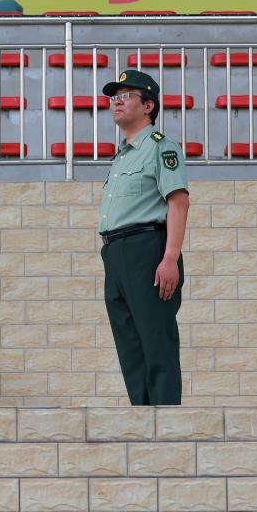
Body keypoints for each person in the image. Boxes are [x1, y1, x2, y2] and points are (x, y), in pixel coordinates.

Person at [99, 69, 190, 406]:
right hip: (115, 252)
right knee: (130, 346)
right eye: (115, 97)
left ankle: (165, 422)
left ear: (148, 105)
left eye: (126, 96)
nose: (117, 102)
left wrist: (170, 257)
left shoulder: (160, 147)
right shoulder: (123, 155)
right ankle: (142, 418)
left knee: (156, 341)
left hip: (146, 248)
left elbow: (178, 202)